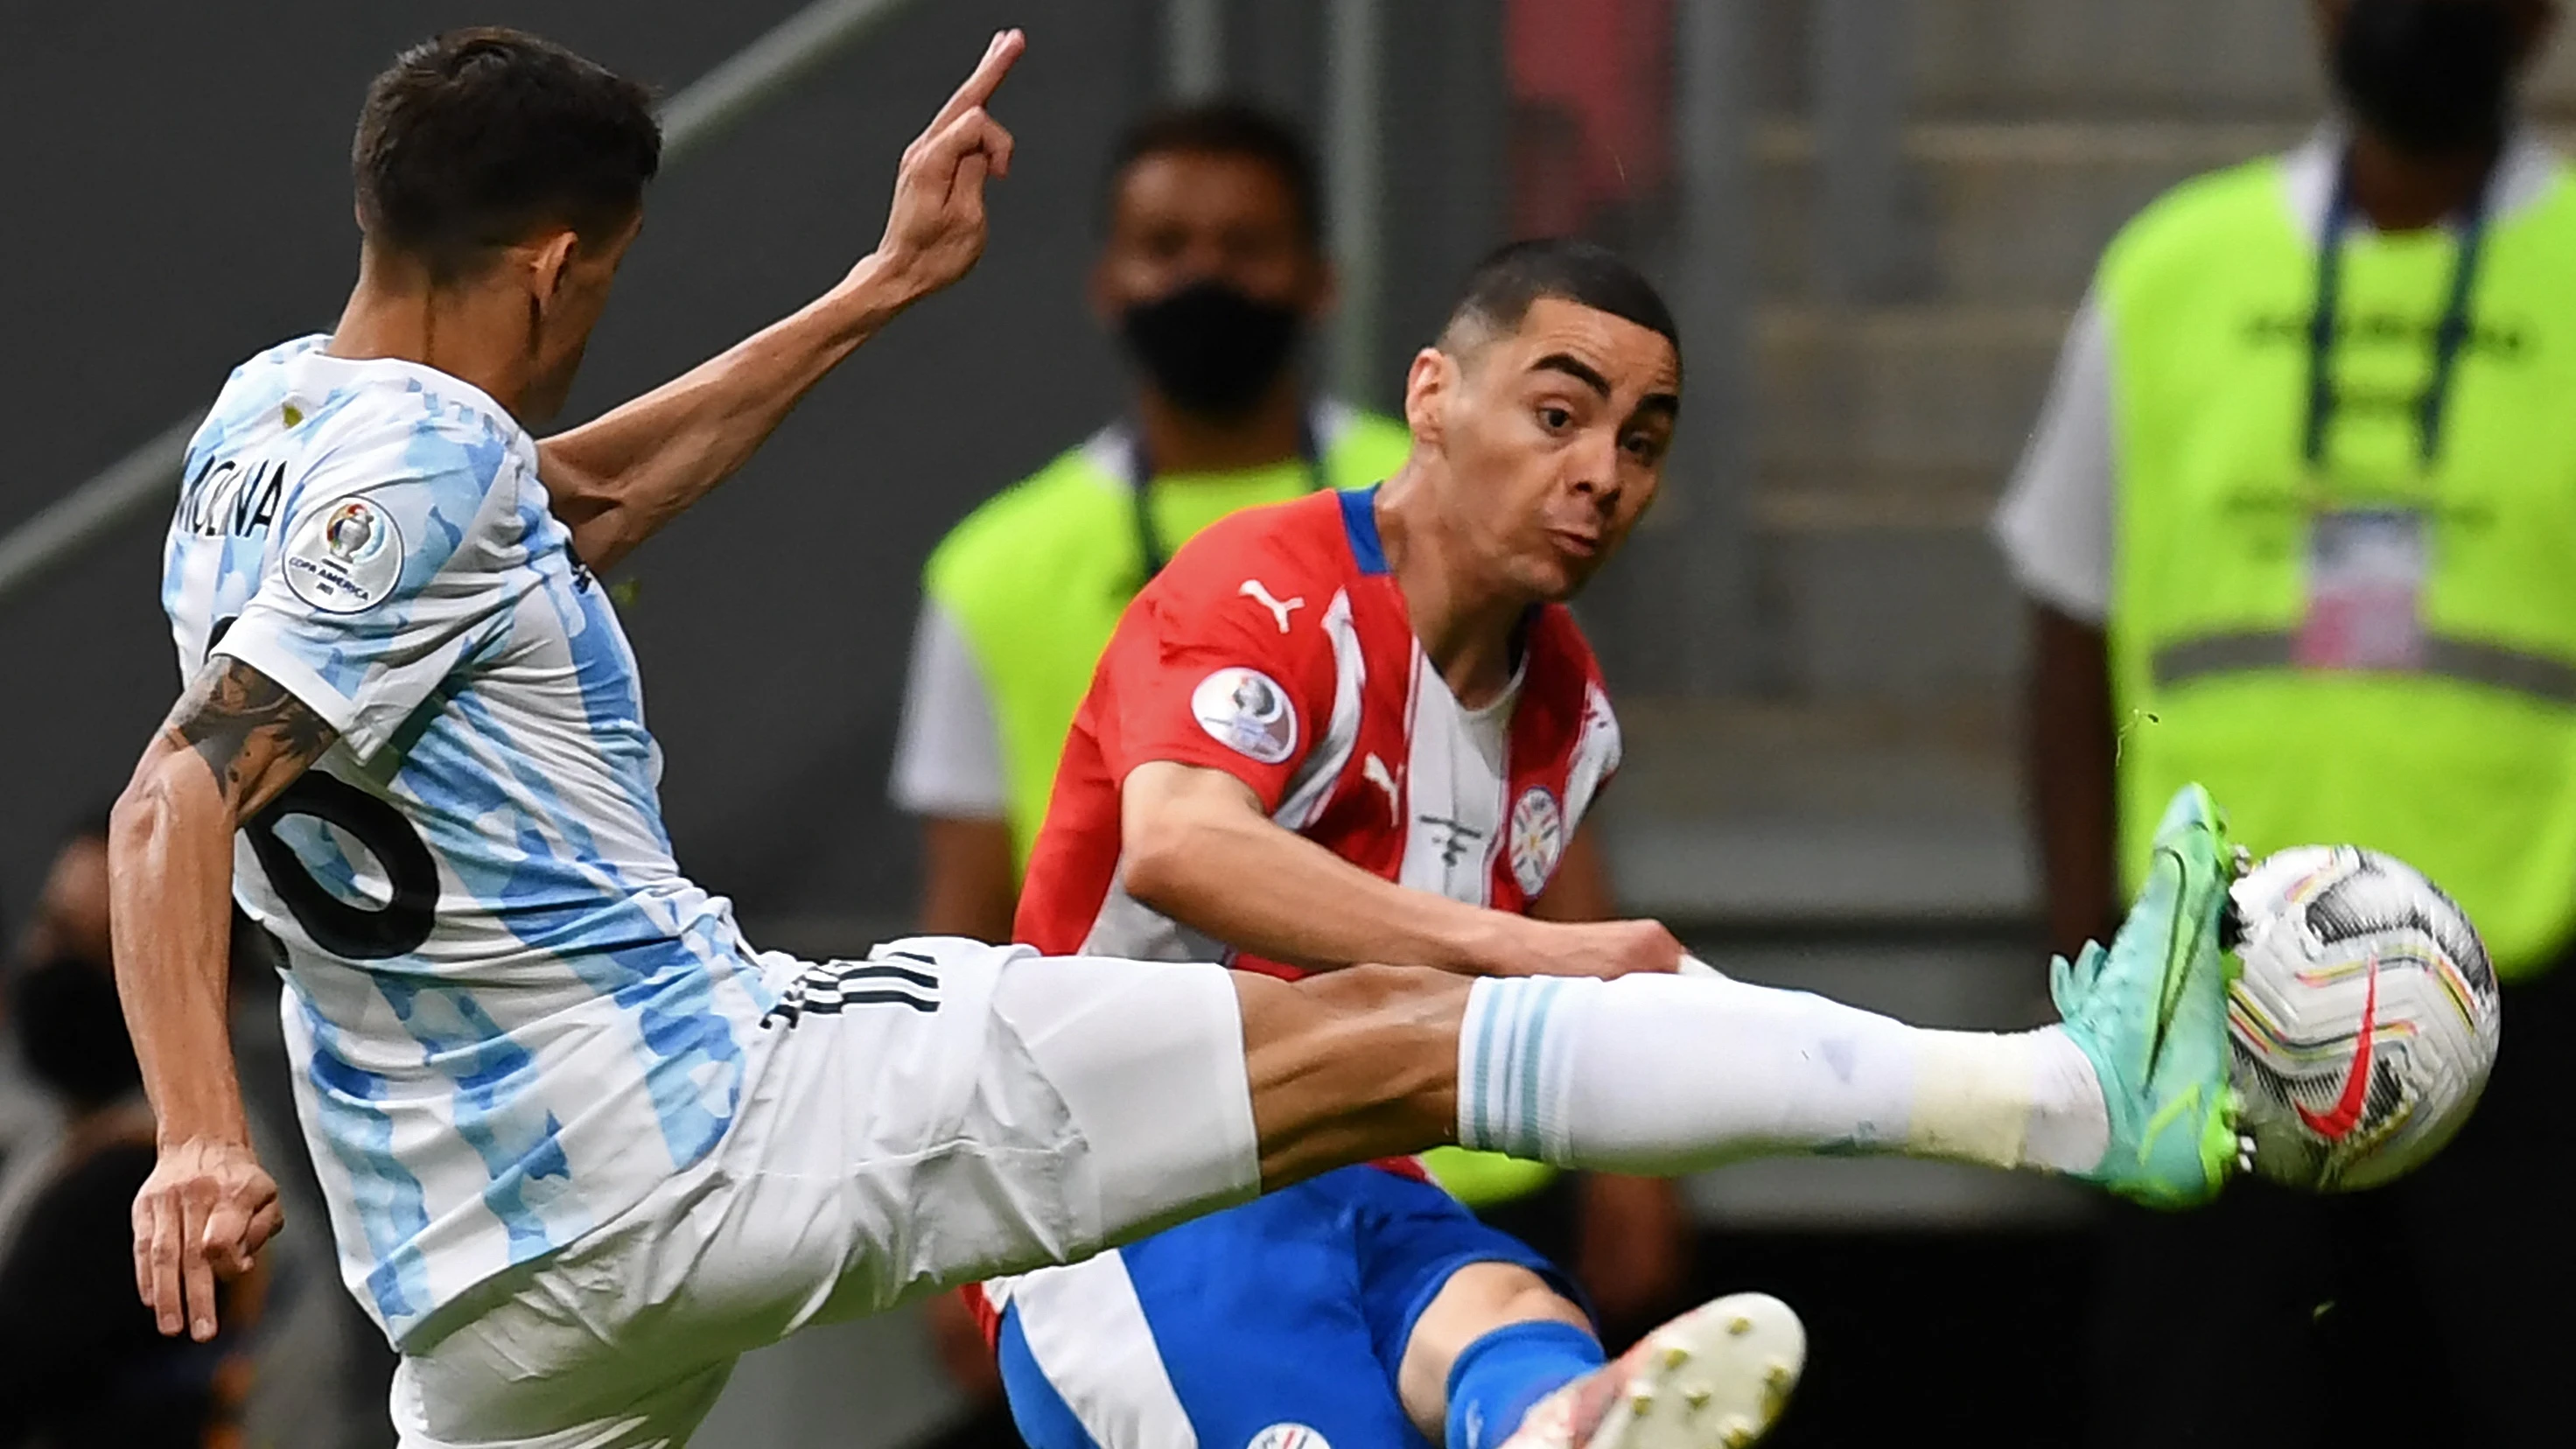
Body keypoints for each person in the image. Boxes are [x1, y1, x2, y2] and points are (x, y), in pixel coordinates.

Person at [110, 25, 2239, 1449]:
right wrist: (199, 1125)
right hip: (706, 1125)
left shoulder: (272, 428)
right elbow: (170, 801)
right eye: (608, 286)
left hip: (467, 1279)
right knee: (1387, 1030)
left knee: (1394, 1161)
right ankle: (2061, 1098)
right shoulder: (433, 476)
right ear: (563, 265)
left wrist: (867, 292)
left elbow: (567, 501)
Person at [892, 103, 1690, 1416]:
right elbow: (972, 904)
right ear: (1108, 279)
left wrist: (1634, 1158)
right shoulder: (1001, 564)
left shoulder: (1486, 513)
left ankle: (1543, 1413)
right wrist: (948, 1217)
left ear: (1322, 281)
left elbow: (1563, 881)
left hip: (1427, 1161)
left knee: (1515, 1346)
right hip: (1149, 1160)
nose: (1205, 278)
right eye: (1167, 244)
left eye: (1246, 245)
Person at [1993, 1, 2572, 1443]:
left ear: (2538, 20)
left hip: (2531, 999)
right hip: (2208, 1002)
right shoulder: (2168, 271)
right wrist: (2089, 989)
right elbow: (2067, 636)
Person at [0, 823, 255, 1447]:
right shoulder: (60, 1132)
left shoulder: (158, 1174)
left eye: (100, 949)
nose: (50, 968)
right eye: (52, 929)